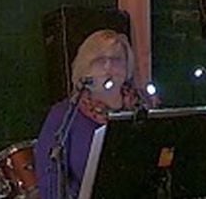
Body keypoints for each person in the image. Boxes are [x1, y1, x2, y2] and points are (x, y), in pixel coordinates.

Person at [34, 29, 145, 199]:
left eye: (116, 60)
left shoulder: (143, 108)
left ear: (127, 66)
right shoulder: (64, 115)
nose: (108, 68)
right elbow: (49, 180)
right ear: (85, 68)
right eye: (100, 60)